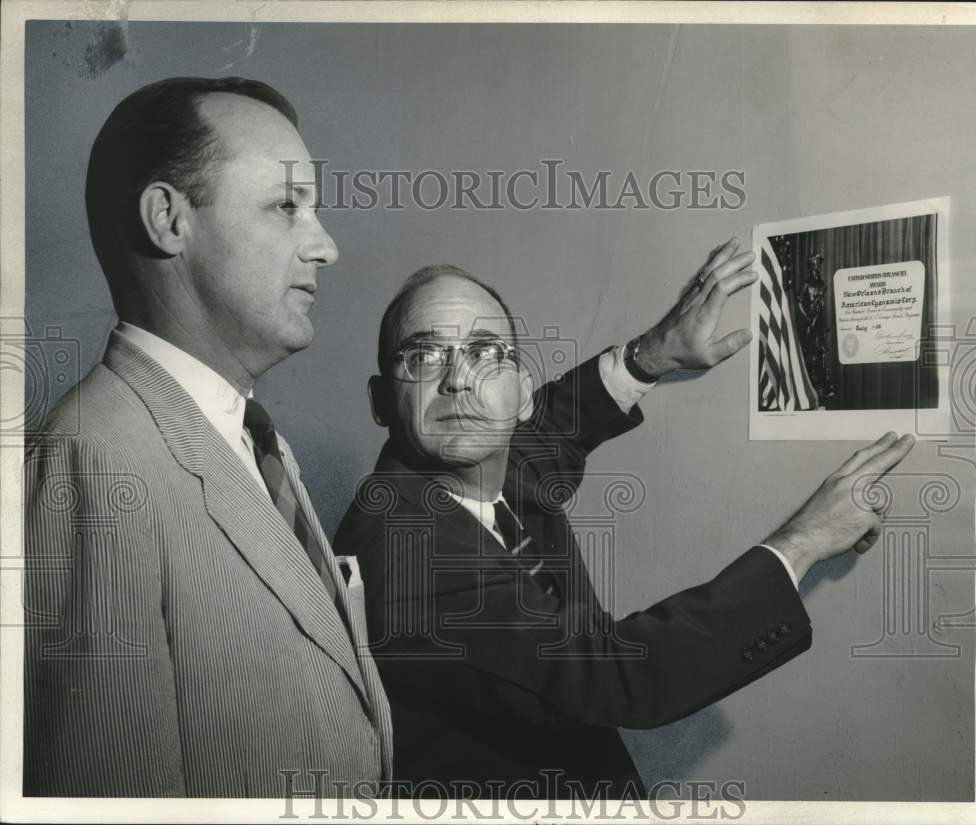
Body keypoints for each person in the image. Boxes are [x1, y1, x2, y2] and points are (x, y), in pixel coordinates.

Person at [331, 254, 914, 798]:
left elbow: (555, 430)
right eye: (423, 357)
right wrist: (804, 540)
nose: (460, 380)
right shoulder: (404, 547)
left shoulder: (484, 463)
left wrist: (651, 354)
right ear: (382, 401)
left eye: (486, 352)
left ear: (520, 396)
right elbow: (615, 675)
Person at [23, 77, 392, 797]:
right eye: (287, 206)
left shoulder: (249, 439)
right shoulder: (92, 462)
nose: (326, 246)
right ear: (169, 219)